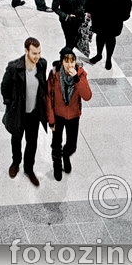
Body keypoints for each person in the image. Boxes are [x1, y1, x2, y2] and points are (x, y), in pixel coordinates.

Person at [0, 37, 48, 187]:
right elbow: (5, 87)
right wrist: (10, 105)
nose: (37, 56)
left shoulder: (42, 64)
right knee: (16, 139)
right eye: (34, 53)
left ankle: (29, 168)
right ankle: (16, 162)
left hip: (34, 113)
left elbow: (43, 85)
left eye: (39, 53)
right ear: (26, 51)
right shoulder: (14, 67)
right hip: (19, 112)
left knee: (32, 142)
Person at [46, 47, 92, 180]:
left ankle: (65, 155)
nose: (70, 65)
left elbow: (87, 96)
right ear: (62, 62)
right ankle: (57, 164)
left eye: (72, 61)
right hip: (58, 115)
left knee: (72, 145)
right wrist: (51, 119)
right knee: (56, 143)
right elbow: (48, 96)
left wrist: (77, 79)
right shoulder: (54, 74)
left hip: (73, 115)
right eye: (66, 61)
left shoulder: (81, 75)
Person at [84, 0, 132, 69]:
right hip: (99, 17)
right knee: (100, 37)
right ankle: (99, 54)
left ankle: (109, 58)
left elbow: (127, 2)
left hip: (114, 19)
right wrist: (88, 10)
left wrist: (124, 15)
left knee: (110, 39)